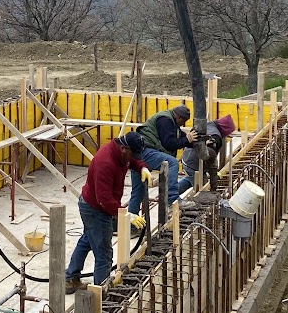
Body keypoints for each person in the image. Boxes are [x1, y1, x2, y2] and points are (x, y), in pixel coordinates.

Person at [66, 131, 150, 293]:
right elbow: (103, 199)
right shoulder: (106, 162)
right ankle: (101, 295)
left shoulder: (122, 154)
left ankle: (70, 278)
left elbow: (133, 162)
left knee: (88, 240)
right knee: (104, 254)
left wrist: (142, 167)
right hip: (94, 208)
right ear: (124, 148)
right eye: (133, 153)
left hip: (95, 204)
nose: (135, 157)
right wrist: (125, 214)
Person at [128, 104, 199, 215]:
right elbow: (169, 143)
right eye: (183, 121)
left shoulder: (172, 123)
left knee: (137, 192)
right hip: (145, 151)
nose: (183, 124)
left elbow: (181, 138)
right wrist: (186, 139)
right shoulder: (165, 121)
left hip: (137, 155)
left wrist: (194, 143)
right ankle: (173, 200)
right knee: (172, 163)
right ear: (179, 117)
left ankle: (132, 224)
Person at [176, 114, 236, 198]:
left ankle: (169, 194)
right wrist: (213, 180)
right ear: (225, 130)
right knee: (203, 191)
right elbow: (210, 157)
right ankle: (172, 198)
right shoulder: (216, 136)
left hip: (187, 158)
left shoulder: (209, 124)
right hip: (193, 163)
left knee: (191, 179)